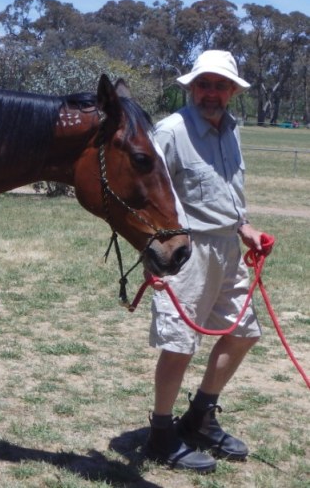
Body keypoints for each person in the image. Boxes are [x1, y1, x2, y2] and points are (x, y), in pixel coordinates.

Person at [144, 50, 269, 473]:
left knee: (243, 332)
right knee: (180, 344)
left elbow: (230, 189)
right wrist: (154, 256)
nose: (211, 93)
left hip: (230, 249)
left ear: (232, 91)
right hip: (185, 250)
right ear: (191, 87)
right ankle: (161, 435)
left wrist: (245, 226)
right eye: (204, 84)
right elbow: (144, 194)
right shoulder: (171, 131)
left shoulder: (232, 129)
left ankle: (199, 417)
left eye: (220, 85)